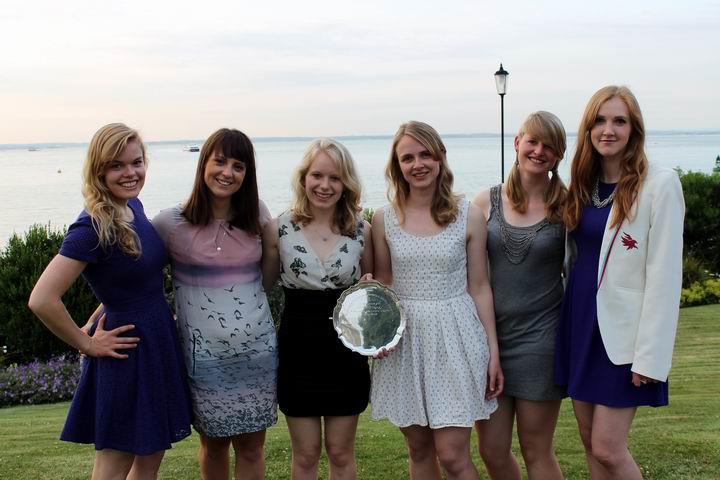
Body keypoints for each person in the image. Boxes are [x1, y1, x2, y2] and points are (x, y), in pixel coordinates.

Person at [28, 123, 192, 479]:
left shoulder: (132, 205)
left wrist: (102, 308)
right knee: (114, 464)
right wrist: (86, 343)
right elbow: (42, 299)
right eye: (117, 165)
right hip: (126, 352)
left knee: (150, 458)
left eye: (136, 162)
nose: (130, 173)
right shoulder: (91, 227)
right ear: (99, 170)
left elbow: (126, 280)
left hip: (156, 342)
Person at [555, 86, 685, 479]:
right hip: (579, 324)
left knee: (608, 448)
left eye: (619, 121)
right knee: (587, 439)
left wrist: (650, 356)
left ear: (634, 129)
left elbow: (665, 278)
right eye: (599, 120)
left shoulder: (660, 184)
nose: (607, 129)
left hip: (622, 336)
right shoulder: (582, 184)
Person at [370, 121, 501, 480]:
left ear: (440, 157)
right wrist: (376, 331)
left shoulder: (469, 216)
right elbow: (384, 282)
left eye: (425, 154)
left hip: (455, 340)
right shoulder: (384, 219)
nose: (418, 164)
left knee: (453, 454)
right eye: (407, 158)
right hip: (405, 343)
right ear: (397, 167)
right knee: (418, 449)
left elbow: (480, 287)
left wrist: (493, 351)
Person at [152, 128, 277, 480]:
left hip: (256, 352)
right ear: (203, 163)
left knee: (253, 447)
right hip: (204, 358)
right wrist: (102, 313)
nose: (227, 172)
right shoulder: (170, 223)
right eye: (219, 161)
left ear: (247, 175)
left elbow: (269, 278)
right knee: (215, 446)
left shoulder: (258, 216)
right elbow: (138, 278)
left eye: (239, 166)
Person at [262, 138, 373, 480]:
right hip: (298, 347)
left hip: (345, 352)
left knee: (341, 453)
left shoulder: (362, 230)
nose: (325, 186)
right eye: (317, 175)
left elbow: (373, 291)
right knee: (306, 454)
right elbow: (262, 286)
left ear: (346, 183)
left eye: (335, 178)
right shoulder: (278, 228)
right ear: (304, 178)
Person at [472, 111, 568, 480]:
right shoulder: (485, 203)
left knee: (536, 450)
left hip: (541, 341)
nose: (539, 151)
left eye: (550, 146)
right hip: (489, 340)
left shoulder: (567, 206)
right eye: (533, 141)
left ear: (559, 155)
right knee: (492, 451)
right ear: (517, 143)